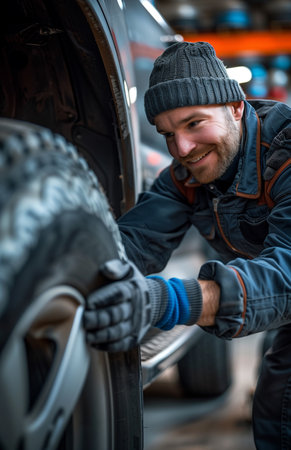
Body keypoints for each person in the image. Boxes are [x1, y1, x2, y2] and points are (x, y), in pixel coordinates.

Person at [83, 41, 291, 448]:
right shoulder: (188, 175)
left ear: (235, 106)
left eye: (194, 123)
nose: (182, 149)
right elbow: (132, 242)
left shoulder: (285, 153)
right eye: (167, 133)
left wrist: (165, 301)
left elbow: (287, 274)